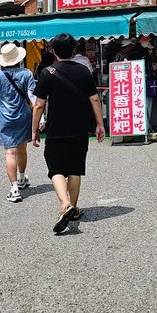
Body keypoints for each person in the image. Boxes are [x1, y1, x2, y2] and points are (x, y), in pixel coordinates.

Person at [32, 33, 106, 234]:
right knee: (75, 169)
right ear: (74, 51)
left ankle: (65, 205)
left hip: (56, 129)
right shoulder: (83, 71)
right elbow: (95, 100)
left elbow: (39, 105)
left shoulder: (47, 73)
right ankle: (73, 207)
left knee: (55, 170)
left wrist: (34, 130)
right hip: (80, 129)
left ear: (53, 52)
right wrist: (100, 124)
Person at [0, 44, 36, 203]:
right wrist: (40, 117)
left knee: (10, 152)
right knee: (22, 148)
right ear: (18, 59)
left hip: (4, 116)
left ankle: (14, 188)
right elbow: (32, 97)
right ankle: (22, 178)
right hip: (23, 115)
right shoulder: (26, 73)